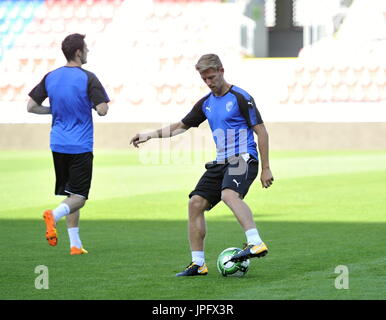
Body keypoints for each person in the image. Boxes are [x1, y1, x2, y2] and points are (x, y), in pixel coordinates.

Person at [130, 54, 274, 276]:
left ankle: (255, 242)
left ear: (222, 71)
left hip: (242, 157)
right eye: (204, 79)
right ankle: (198, 264)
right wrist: (150, 135)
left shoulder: (240, 97)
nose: (209, 82)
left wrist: (265, 167)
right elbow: (181, 126)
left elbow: (261, 131)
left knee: (228, 194)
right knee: (195, 203)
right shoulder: (206, 103)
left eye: (211, 77)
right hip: (220, 162)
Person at [27, 33, 110, 255]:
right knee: (79, 197)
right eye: (86, 48)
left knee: (71, 194)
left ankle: (75, 244)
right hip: (80, 145)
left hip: (58, 143)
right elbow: (102, 109)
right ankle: (52, 216)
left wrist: (54, 110)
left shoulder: (50, 77)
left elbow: (31, 107)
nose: (88, 52)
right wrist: (90, 106)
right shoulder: (88, 77)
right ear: (78, 52)